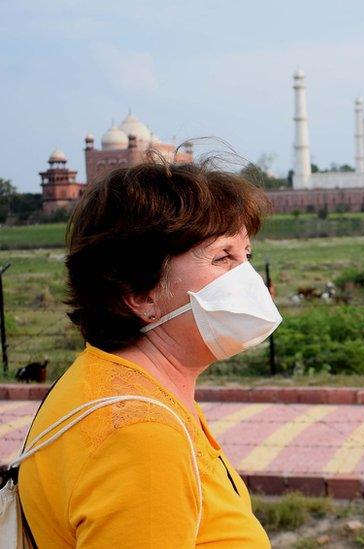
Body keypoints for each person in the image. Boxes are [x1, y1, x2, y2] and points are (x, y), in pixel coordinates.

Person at [18, 160, 281, 547]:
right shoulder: (139, 437)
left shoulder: (121, 383)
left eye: (247, 257)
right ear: (140, 294)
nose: (250, 280)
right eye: (223, 257)